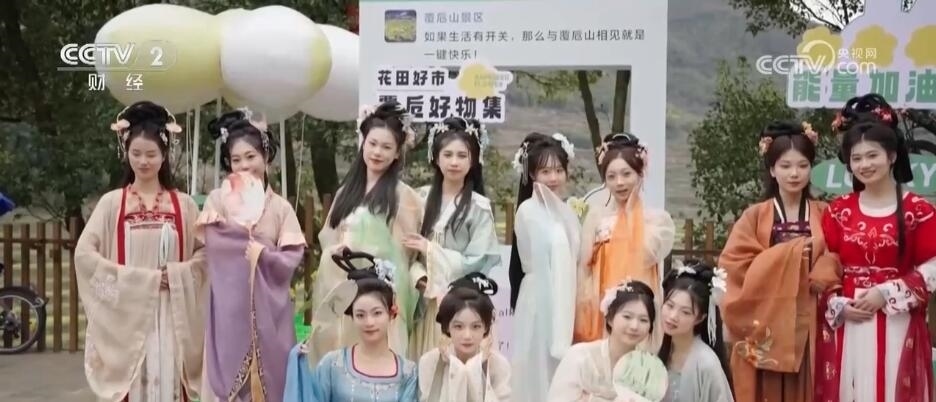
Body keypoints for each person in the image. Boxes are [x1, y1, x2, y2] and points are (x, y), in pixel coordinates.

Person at [74, 101, 206, 402]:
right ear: (125, 152)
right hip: (128, 314)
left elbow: (205, 255)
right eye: (136, 153)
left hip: (172, 313)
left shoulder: (184, 205)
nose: (143, 161)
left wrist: (177, 275)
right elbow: (84, 255)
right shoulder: (112, 203)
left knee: (170, 380)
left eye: (151, 154)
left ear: (164, 155)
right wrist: (137, 280)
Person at [814, 116, 936, 402]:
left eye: (872, 156)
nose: (864, 165)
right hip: (849, 319)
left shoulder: (918, 210)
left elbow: (933, 265)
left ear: (892, 156)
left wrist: (887, 293)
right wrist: (837, 303)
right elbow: (824, 265)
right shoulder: (838, 211)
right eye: (856, 158)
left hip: (897, 319)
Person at [718, 120, 837, 402]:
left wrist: (822, 271)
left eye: (802, 165)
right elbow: (733, 264)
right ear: (772, 170)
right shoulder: (755, 216)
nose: (794, 173)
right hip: (767, 320)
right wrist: (798, 253)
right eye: (785, 166)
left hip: (811, 318)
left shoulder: (826, 213)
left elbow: (837, 255)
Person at [198, 108, 307, 402]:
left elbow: (291, 258)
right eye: (236, 160)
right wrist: (244, 241)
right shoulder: (218, 200)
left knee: (273, 383)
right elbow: (214, 245)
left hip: (271, 313)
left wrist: (265, 255)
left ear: (266, 156)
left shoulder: (280, 208)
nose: (244, 165)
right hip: (229, 309)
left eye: (251, 156)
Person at [311, 101, 424, 363]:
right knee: (342, 358)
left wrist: (375, 264)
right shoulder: (346, 192)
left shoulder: (404, 197)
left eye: (386, 147)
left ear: (397, 154)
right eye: (372, 143)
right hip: (343, 287)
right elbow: (328, 236)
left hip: (380, 294)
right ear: (363, 143)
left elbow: (405, 254)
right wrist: (336, 252)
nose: (377, 152)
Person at [405, 117, 501, 358]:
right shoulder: (418, 199)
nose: (454, 162)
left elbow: (477, 263)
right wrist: (421, 279)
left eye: (462, 155)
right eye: (447, 155)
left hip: (462, 308)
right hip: (425, 302)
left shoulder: (479, 207)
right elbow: (406, 254)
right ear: (435, 157)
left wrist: (430, 249)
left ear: (473, 159)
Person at [574, 133, 675, 350]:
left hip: (639, 315)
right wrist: (586, 308)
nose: (619, 182)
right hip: (602, 312)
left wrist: (630, 214)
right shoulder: (596, 217)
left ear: (640, 173)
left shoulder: (658, 220)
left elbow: (647, 255)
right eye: (611, 176)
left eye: (626, 174)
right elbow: (585, 269)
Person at [284, 250, 419, 402]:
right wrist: (299, 363)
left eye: (377, 313)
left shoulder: (408, 372)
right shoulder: (333, 365)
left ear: (392, 313)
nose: (369, 322)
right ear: (352, 317)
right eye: (360, 315)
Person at [508, 132, 581, 402]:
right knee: (536, 368)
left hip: (566, 297)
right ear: (532, 175)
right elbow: (541, 260)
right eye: (545, 171)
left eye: (559, 170)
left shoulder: (567, 211)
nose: (553, 178)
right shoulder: (528, 211)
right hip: (539, 299)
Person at [548, 280, 666, 402]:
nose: (634, 326)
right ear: (610, 319)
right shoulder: (581, 357)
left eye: (643, 320)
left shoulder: (648, 370)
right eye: (627, 316)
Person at [418, 273, 511, 402]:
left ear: (486, 327)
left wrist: (477, 364)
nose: (467, 336)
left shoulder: (499, 365)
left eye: (476, 326)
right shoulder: (430, 362)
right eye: (458, 326)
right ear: (447, 326)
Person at [657, 260, 733, 402]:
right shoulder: (657, 350)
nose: (672, 316)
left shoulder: (707, 363)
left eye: (685, 312)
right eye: (670, 305)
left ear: (700, 318)